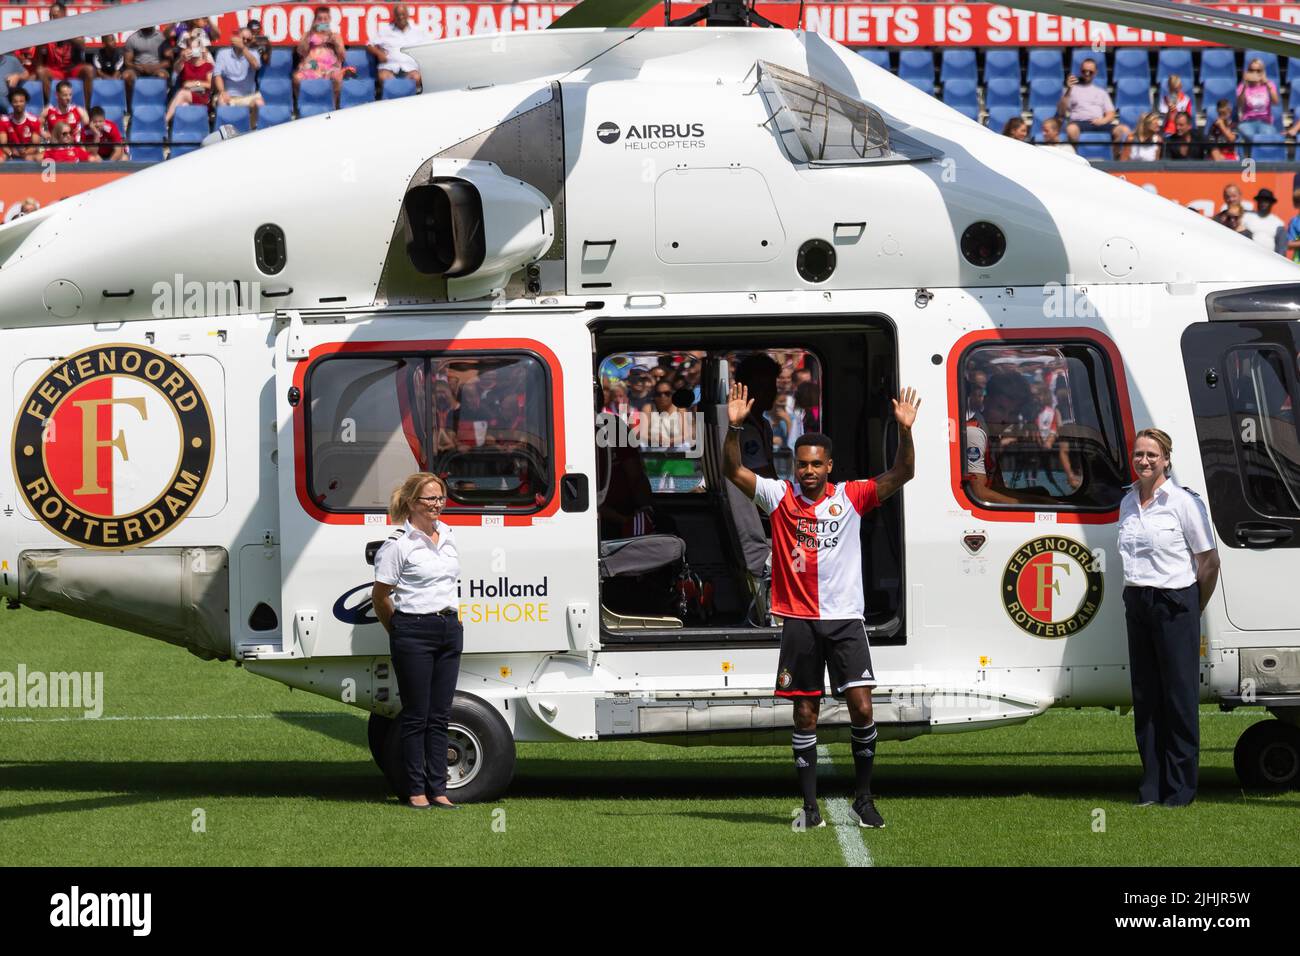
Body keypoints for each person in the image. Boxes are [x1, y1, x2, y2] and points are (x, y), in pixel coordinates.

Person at [723, 381, 921, 831]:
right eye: (802, 465)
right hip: (800, 623)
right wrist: (734, 427)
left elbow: (902, 474)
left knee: (863, 708)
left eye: (816, 465)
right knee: (805, 713)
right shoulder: (778, 496)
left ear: (829, 466)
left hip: (846, 621)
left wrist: (905, 431)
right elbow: (732, 470)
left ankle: (863, 799)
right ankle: (810, 809)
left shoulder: (850, 496)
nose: (808, 472)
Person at [1118, 429, 1219, 808]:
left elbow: (1209, 563)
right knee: (1146, 699)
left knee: (1179, 700)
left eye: (1152, 455)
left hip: (1176, 603)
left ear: (1166, 459)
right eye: (1139, 454)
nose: (1144, 461)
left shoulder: (1182, 502)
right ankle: (1151, 786)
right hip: (1137, 601)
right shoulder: (1127, 502)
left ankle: (1180, 790)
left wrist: (1193, 606)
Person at [371, 472, 463, 810]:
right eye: (430, 499)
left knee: (440, 715)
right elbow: (381, 596)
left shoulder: (449, 535)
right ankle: (415, 789)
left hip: (448, 628)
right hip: (412, 630)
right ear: (412, 503)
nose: (438, 504)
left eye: (441, 498)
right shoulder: (398, 545)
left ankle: (438, 788)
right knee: (416, 714)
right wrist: (398, 630)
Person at [1059, 58, 1131, 158]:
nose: (1087, 74)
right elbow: (1061, 111)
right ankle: (1077, 159)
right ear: (1080, 71)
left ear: (1095, 72)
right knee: (1071, 129)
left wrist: (1103, 121)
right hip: (1079, 123)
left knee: (1124, 130)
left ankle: (1115, 159)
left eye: (1090, 72)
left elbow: (1111, 113)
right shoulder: (1071, 90)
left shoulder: (1101, 92)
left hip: (1099, 122)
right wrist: (1068, 90)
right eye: (1084, 71)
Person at [37, 3, 94, 109]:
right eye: (50, 16)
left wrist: (65, 32)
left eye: (55, 16)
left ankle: (87, 108)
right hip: (54, 70)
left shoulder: (73, 27)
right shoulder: (45, 31)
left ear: (64, 15)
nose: (52, 19)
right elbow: (39, 52)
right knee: (41, 71)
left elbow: (82, 45)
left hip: (71, 69)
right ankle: (49, 108)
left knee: (89, 69)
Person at [733, 353, 781, 478]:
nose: (772, 393)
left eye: (773, 387)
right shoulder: (745, 429)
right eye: (764, 388)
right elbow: (764, 476)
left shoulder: (764, 424)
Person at [295, 6, 350, 105]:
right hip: (312, 65)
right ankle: (300, 105)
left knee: (338, 78)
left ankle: (334, 105)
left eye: (325, 19)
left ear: (329, 20)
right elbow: (300, 52)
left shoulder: (335, 35)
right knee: (297, 78)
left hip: (330, 67)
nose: (322, 22)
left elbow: (342, 56)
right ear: (315, 20)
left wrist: (336, 43)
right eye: (319, 19)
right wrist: (309, 36)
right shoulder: (308, 34)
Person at [213, 28, 264, 126]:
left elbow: (256, 65)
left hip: (248, 96)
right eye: (243, 39)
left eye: (248, 40)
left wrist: (243, 48)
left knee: (259, 102)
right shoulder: (223, 53)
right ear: (237, 38)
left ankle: (252, 129)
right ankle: (225, 131)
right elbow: (217, 75)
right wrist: (222, 91)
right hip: (229, 96)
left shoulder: (253, 53)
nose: (245, 41)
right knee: (221, 101)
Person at [368, 3, 425, 90]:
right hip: (389, 67)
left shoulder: (418, 30)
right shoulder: (385, 30)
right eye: (398, 15)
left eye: (403, 14)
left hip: (410, 68)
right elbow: (369, 45)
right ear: (394, 16)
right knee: (383, 78)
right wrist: (379, 53)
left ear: (407, 15)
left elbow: (427, 46)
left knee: (416, 78)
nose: (401, 17)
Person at [1236, 58, 1279, 157]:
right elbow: (1240, 104)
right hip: (1248, 122)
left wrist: (1267, 83)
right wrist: (1244, 87)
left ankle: (1261, 161)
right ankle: (1254, 159)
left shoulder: (1269, 85)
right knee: (1250, 135)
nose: (1255, 73)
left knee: (1267, 134)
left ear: (1262, 72)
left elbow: (1276, 102)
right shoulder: (1243, 86)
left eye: (1258, 70)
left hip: (1265, 122)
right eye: (1251, 70)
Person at [165, 43, 214, 123]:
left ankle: (165, 121)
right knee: (184, 105)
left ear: (201, 50)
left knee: (182, 93)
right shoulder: (185, 63)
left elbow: (210, 85)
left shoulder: (208, 65)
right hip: (186, 97)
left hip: (201, 96)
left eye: (196, 48)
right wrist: (182, 59)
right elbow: (176, 69)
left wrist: (195, 83)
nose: (194, 50)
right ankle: (182, 132)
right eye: (191, 48)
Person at [1242, 187, 1285, 254]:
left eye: (1266, 201)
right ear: (1257, 202)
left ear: (1271, 203)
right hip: (1248, 255)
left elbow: (1281, 247)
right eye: (1261, 200)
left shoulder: (1278, 223)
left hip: (1269, 260)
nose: (1263, 203)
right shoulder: (1246, 216)